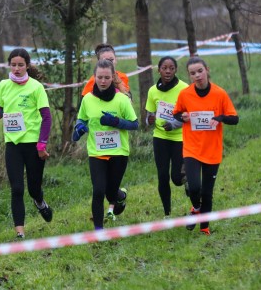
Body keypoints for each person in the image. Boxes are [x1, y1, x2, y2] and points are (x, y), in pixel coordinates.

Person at [0, 48, 53, 239]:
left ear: (27, 66)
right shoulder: (3, 85)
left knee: (33, 188)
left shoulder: (36, 87)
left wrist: (42, 144)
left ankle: (40, 202)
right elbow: (1, 106)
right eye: (13, 65)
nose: (16, 69)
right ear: (9, 65)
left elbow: (46, 118)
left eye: (20, 65)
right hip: (13, 144)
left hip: (33, 144)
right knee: (16, 188)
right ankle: (20, 233)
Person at [173, 57, 238, 236]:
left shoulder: (220, 94)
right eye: (193, 73)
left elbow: (235, 118)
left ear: (207, 70)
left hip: (212, 150)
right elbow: (177, 114)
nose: (197, 75)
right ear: (189, 75)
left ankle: (204, 228)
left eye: (200, 71)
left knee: (207, 192)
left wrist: (220, 118)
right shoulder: (185, 94)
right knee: (194, 187)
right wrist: (182, 117)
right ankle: (195, 207)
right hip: (192, 148)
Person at [72, 59, 139, 230]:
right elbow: (81, 118)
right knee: (98, 191)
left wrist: (115, 121)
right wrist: (80, 127)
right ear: (94, 77)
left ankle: (120, 195)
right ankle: (98, 230)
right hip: (97, 152)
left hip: (119, 152)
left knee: (111, 193)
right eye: (99, 77)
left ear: (113, 78)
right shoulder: (88, 99)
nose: (103, 81)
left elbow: (134, 124)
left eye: (106, 77)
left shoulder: (121, 99)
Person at [145, 56, 189, 218]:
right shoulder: (152, 91)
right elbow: (149, 115)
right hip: (160, 138)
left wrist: (173, 123)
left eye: (171, 68)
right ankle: (167, 212)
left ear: (176, 70)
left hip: (179, 138)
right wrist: (148, 120)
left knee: (176, 178)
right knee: (162, 176)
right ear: (159, 70)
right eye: (165, 68)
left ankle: (188, 183)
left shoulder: (184, 89)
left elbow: (188, 114)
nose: (168, 71)